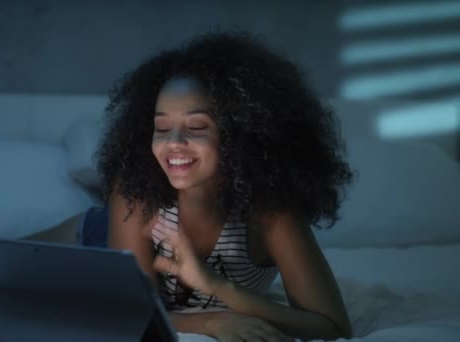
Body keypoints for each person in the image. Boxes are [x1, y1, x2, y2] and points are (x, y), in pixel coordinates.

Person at [31, 30, 354, 341]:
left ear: (242, 135)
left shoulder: (270, 214)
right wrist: (212, 321)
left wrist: (218, 287)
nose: (174, 143)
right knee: (5, 260)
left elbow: (333, 327)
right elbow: (134, 311)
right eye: (161, 128)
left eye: (197, 126)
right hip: (97, 234)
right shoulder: (135, 195)